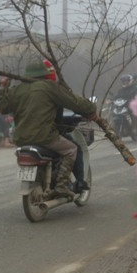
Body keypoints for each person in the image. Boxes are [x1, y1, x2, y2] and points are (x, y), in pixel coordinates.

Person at [0, 60, 97, 199]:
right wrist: (91, 108)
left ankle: (50, 177)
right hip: (44, 136)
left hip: (21, 138)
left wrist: (3, 88)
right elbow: (74, 102)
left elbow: (3, 108)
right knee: (72, 149)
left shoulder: (17, 90)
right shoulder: (49, 87)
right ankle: (62, 185)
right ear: (46, 73)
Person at [42, 59, 89, 193]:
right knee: (74, 148)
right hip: (47, 134)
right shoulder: (53, 89)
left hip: (23, 136)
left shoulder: (26, 89)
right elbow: (73, 103)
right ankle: (71, 184)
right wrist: (89, 111)